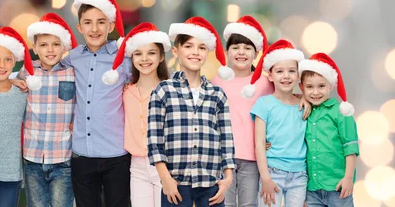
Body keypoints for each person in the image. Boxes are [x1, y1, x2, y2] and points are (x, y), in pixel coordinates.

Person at [148, 17, 235, 207]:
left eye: (202, 47)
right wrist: (165, 179)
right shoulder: (163, 91)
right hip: (176, 184)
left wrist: (227, 178)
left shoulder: (217, 94)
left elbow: (226, 138)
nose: (195, 52)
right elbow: (155, 140)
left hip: (211, 184)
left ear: (207, 53)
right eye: (189, 46)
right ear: (176, 50)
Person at [64, 0, 132, 207]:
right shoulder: (72, 58)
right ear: (79, 27)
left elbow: (147, 77)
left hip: (116, 154)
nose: (94, 28)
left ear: (110, 25)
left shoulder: (123, 59)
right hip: (83, 153)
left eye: (101, 22)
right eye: (88, 22)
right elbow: (45, 72)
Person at [103, 22, 171, 207]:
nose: (145, 59)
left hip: (165, 166)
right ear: (131, 58)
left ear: (161, 56)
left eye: (151, 53)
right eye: (138, 54)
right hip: (137, 166)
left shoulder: (170, 91)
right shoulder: (126, 91)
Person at [21, 13, 78, 207]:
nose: (50, 50)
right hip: (32, 158)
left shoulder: (73, 72)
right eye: (44, 45)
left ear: (64, 47)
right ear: (35, 48)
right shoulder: (27, 72)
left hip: (63, 158)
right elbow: (2, 81)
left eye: (55, 44)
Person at [0, 27, 34, 207]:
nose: (1, 65)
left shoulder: (22, 93)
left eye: (7, 60)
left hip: (10, 173)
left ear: (14, 62)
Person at [249, 39, 307, 207]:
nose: (286, 76)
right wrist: (266, 178)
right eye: (280, 71)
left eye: (291, 71)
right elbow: (259, 144)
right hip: (273, 172)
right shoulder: (264, 104)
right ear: (270, 75)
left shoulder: (303, 106)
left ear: (298, 76)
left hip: (300, 175)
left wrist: (305, 99)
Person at [298, 53, 358, 207]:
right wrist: (302, 98)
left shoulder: (341, 112)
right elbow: (283, 95)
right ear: (302, 87)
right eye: (309, 87)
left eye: (321, 86)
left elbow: (350, 147)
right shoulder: (305, 109)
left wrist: (348, 178)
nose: (315, 92)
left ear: (330, 85)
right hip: (312, 189)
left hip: (338, 186)